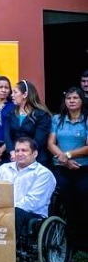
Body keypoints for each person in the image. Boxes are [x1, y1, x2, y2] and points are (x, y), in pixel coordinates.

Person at [47, 87, 88, 251]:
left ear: (81, 101)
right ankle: (66, 243)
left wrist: (69, 155)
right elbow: (51, 143)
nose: (71, 101)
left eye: (75, 98)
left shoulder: (86, 120)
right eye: (69, 98)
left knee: (83, 200)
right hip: (62, 168)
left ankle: (83, 245)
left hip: (83, 168)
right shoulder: (57, 119)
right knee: (65, 200)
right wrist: (64, 160)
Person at [0, 136, 56, 242]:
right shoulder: (4, 168)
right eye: (17, 150)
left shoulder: (43, 174)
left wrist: (6, 210)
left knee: (15, 213)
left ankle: (6, 251)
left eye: (24, 150)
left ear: (35, 154)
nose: (19, 153)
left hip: (32, 214)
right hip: (5, 210)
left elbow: (33, 202)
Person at [4, 80, 52, 167]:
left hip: (37, 160)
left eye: (15, 92)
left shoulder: (41, 115)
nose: (12, 95)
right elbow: (7, 136)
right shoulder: (10, 114)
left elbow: (39, 139)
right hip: (15, 159)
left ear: (25, 95)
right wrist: (12, 152)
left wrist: (24, 154)